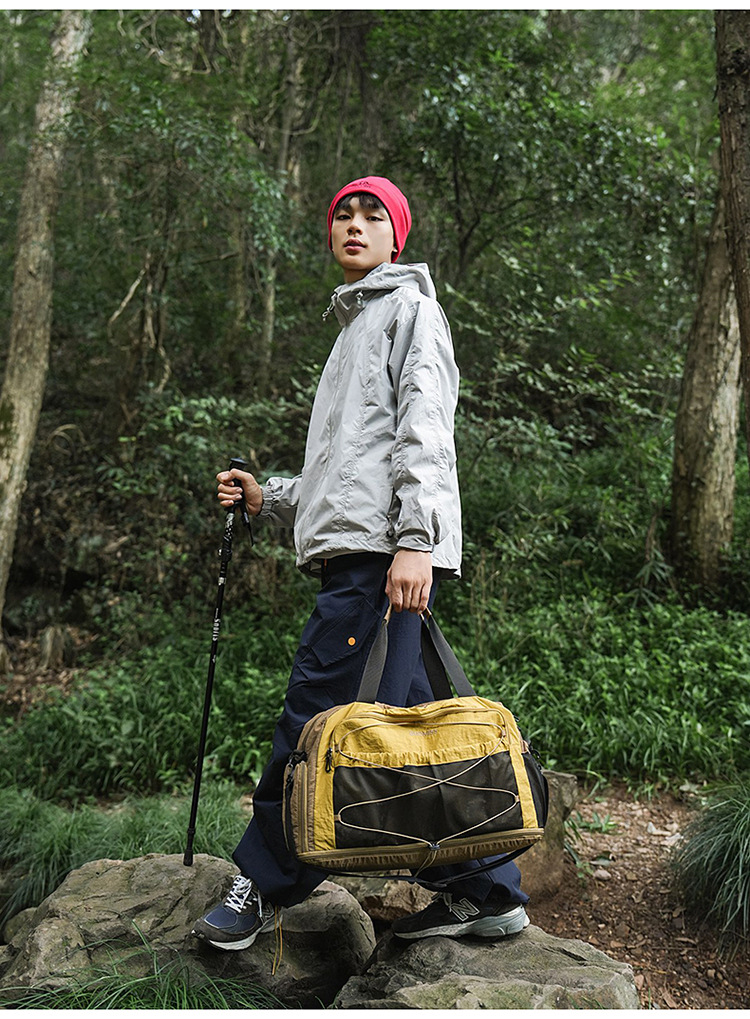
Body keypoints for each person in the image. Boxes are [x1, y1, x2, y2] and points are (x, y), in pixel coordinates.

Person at [191, 176, 529, 951]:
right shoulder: (354, 328)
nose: (354, 222)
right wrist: (270, 497)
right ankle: (488, 890)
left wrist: (416, 541)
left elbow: (426, 433)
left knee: (313, 719)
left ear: (395, 237)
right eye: (343, 212)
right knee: (414, 737)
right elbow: (346, 474)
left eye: (373, 214)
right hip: (370, 558)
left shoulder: (408, 310)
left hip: (382, 564)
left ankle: (261, 883)